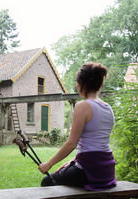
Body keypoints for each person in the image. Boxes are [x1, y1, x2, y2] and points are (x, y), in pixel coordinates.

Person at [38, 62, 116, 191]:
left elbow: (71, 143)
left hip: (90, 172)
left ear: (82, 84)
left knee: (47, 182)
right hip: (107, 171)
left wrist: (48, 164)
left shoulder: (83, 106)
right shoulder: (108, 108)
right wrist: (74, 162)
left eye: (77, 82)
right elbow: (96, 144)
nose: (76, 85)